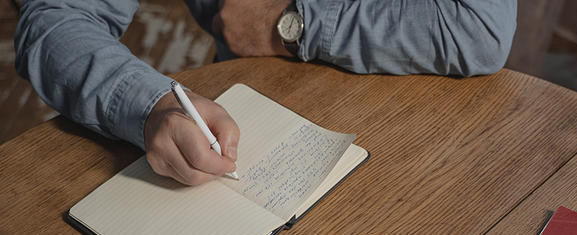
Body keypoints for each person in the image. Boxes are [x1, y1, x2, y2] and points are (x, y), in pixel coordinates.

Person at [15, 0, 517, 185]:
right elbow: (56, 19)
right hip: (244, 102)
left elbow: (479, 28)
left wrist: (289, 25)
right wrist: (152, 105)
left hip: (427, 120)